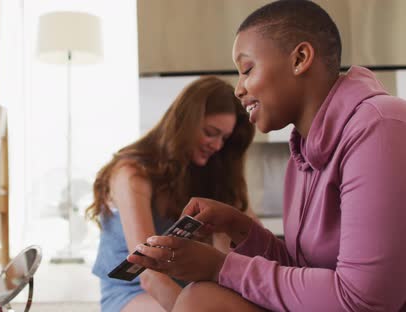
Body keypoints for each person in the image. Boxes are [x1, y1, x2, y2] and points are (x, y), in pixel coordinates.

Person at [128, 1, 406, 311]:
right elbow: (304, 272)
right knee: (200, 297)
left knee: (201, 299)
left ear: (300, 58)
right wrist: (238, 226)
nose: (238, 89)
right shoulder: (302, 154)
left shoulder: (382, 127)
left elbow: (365, 300)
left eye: (247, 69)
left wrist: (221, 267)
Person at [87, 76, 256, 312]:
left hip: (188, 289)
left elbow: (251, 237)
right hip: (132, 292)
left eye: (224, 139)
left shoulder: (207, 173)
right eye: (210, 132)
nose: (217, 146)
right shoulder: (131, 174)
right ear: (184, 123)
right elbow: (149, 276)